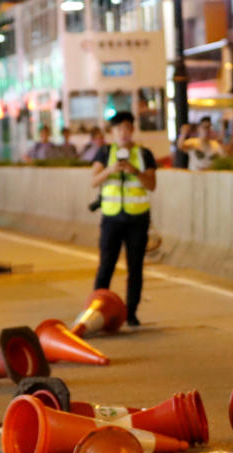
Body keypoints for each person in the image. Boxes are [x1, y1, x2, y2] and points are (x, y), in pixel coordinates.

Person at [90, 111, 157, 326]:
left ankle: (131, 312)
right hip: (111, 218)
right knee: (106, 266)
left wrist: (134, 171)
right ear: (112, 132)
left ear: (133, 130)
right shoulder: (105, 153)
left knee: (135, 267)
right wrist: (110, 170)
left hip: (137, 219)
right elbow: (93, 181)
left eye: (127, 128)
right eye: (119, 129)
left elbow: (152, 185)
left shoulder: (143, 154)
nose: (124, 133)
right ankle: (95, 311)